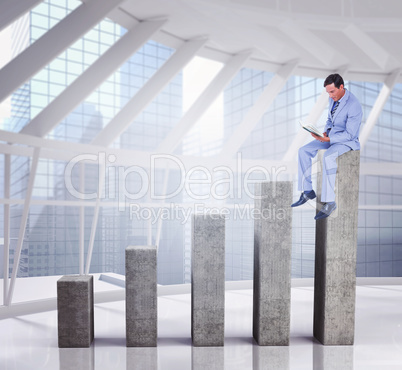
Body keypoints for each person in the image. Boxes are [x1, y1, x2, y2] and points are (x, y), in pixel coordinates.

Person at [291, 73, 363, 220]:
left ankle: (330, 202)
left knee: (329, 157)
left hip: (346, 141)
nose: (330, 96)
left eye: (332, 91)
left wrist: (328, 138)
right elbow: (330, 119)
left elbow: (350, 134)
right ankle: (307, 191)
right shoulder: (334, 99)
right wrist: (324, 132)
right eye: (328, 92)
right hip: (330, 136)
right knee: (303, 151)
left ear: (341, 87)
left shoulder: (354, 105)